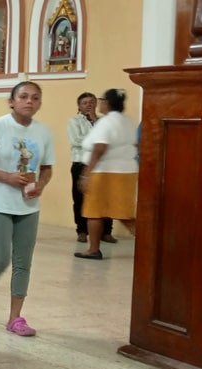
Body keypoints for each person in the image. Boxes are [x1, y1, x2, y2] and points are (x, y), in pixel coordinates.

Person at [0, 81, 55, 337]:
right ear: (12, 101)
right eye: (24, 96)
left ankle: (15, 318)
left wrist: (40, 185)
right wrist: (6, 177)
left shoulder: (44, 132)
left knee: (23, 263)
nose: (29, 101)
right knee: (1, 258)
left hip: (28, 206)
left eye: (35, 98)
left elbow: (47, 167)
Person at [75, 89, 138, 260]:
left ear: (107, 103)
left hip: (104, 172)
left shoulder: (106, 122)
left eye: (101, 100)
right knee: (124, 213)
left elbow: (99, 148)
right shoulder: (126, 121)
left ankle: (93, 249)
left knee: (94, 211)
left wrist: (86, 174)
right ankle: (150, 245)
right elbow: (135, 145)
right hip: (127, 171)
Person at [68, 92, 114, 243]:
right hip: (81, 164)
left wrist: (95, 123)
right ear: (79, 106)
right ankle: (82, 231)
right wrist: (97, 139)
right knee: (80, 198)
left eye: (91, 102)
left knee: (105, 198)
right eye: (85, 103)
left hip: (101, 164)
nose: (89, 105)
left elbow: (108, 141)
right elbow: (76, 140)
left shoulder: (104, 121)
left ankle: (106, 232)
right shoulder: (74, 121)